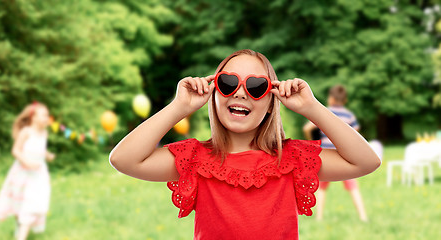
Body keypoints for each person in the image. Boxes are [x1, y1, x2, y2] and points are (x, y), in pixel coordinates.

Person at [109, 49, 380, 239]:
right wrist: (179, 107)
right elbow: (124, 160)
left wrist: (312, 108)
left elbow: (366, 161)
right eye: (228, 83)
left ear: (272, 100)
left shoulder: (292, 158)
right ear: (214, 92)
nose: (240, 91)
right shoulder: (195, 158)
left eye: (256, 86)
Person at [303, 85, 368, 222]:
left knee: (321, 188)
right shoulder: (349, 115)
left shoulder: (326, 112)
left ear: (331, 98)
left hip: (326, 156)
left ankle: (319, 218)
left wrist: (312, 141)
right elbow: (356, 134)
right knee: (353, 187)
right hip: (346, 156)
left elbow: (307, 127)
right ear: (345, 100)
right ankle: (363, 217)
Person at [0, 102, 55, 240]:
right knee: (21, 204)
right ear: (33, 117)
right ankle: (20, 231)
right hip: (23, 172)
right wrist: (27, 162)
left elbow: (40, 148)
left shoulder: (44, 132)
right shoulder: (26, 132)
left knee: (32, 204)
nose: (47, 118)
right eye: (43, 115)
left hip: (38, 174)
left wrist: (47, 155)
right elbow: (16, 150)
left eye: (47, 115)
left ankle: (21, 235)